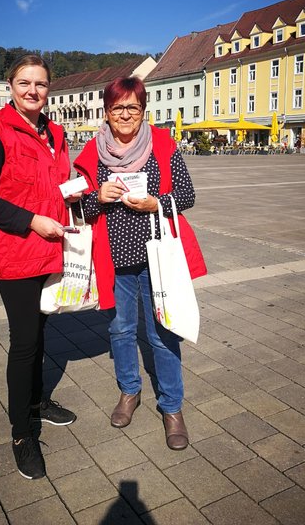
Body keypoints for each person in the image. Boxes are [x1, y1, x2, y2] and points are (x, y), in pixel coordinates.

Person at [74, 77, 206, 450]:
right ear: (107, 113)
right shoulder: (91, 153)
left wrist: (157, 203)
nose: (126, 114)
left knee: (164, 333)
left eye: (133, 107)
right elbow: (78, 209)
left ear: (143, 110)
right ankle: (129, 391)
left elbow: (187, 194)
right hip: (113, 258)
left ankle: (172, 408)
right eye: (118, 107)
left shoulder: (162, 146)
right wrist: (97, 196)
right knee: (120, 331)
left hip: (156, 255)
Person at [0, 54, 81, 480]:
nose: (33, 91)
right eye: (24, 83)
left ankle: (37, 402)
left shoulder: (55, 131)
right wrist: (32, 220)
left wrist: (76, 195)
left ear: (50, 88)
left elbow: (53, 184)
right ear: (10, 85)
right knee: (25, 340)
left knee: (42, 327)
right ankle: (21, 434)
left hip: (50, 246)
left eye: (41, 84)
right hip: (15, 250)